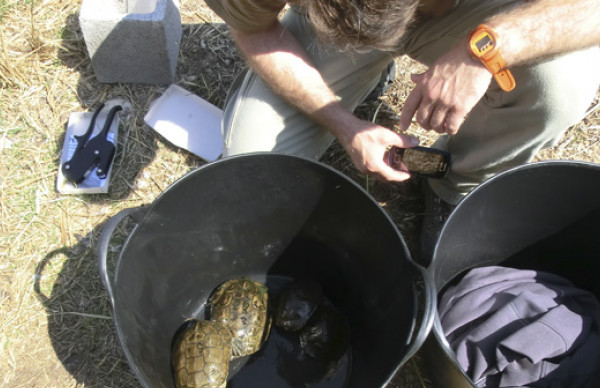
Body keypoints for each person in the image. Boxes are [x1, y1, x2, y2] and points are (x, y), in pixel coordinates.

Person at [205, 0, 600, 259]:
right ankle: (364, 64)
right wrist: (344, 123)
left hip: (480, 15)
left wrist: (488, 49)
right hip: (334, 26)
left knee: (560, 84)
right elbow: (256, 30)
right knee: (252, 158)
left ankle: (455, 184)